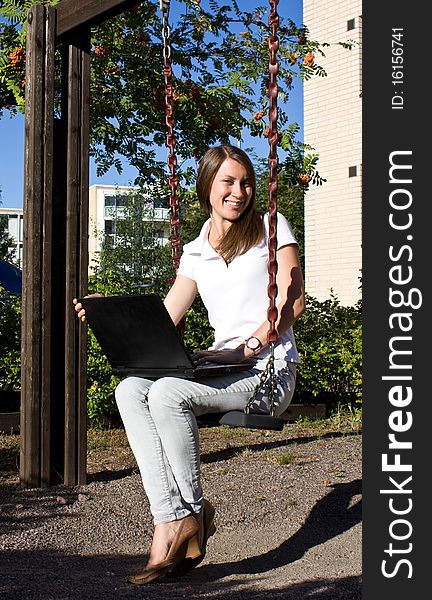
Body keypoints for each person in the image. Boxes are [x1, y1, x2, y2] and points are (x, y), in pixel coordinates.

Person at [73, 144, 305, 585]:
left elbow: (295, 299)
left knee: (166, 392)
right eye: (228, 182)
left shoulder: (271, 228)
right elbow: (165, 319)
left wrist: (254, 343)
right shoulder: (197, 248)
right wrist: (110, 311)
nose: (239, 192)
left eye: (246, 182)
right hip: (221, 368)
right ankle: (172, 517)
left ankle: (189, 517)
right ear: (208, 186)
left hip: (267, 371)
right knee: (130, 390)